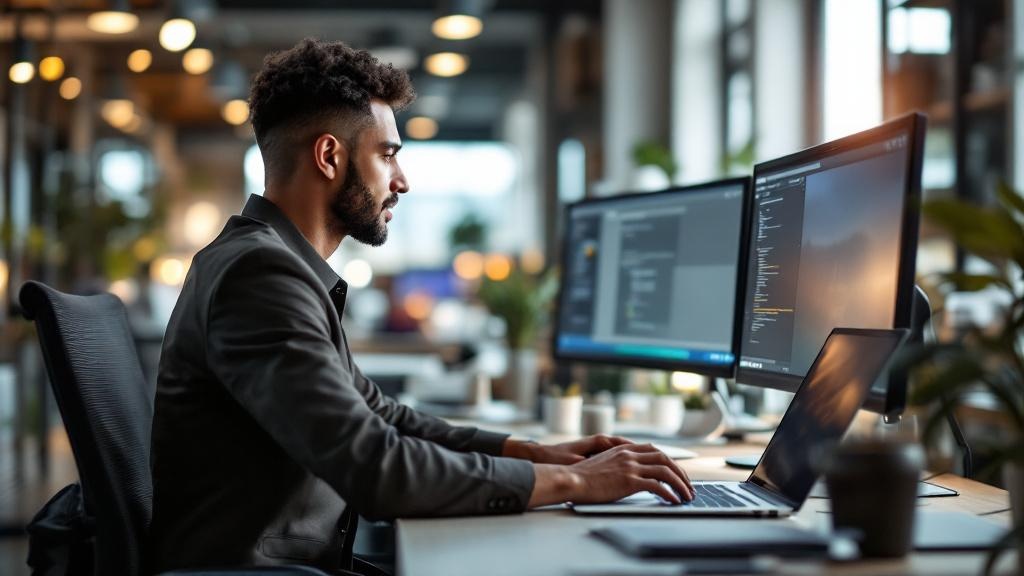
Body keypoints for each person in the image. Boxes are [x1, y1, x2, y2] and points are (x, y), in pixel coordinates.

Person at [150, 38, 693, 574]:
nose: (402, 181)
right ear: (329, 156)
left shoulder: (273, 264)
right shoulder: (261, 275)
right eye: (387, 155)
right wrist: (578, 483)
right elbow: (376, 468)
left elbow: (380, 417)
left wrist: (537, 455)